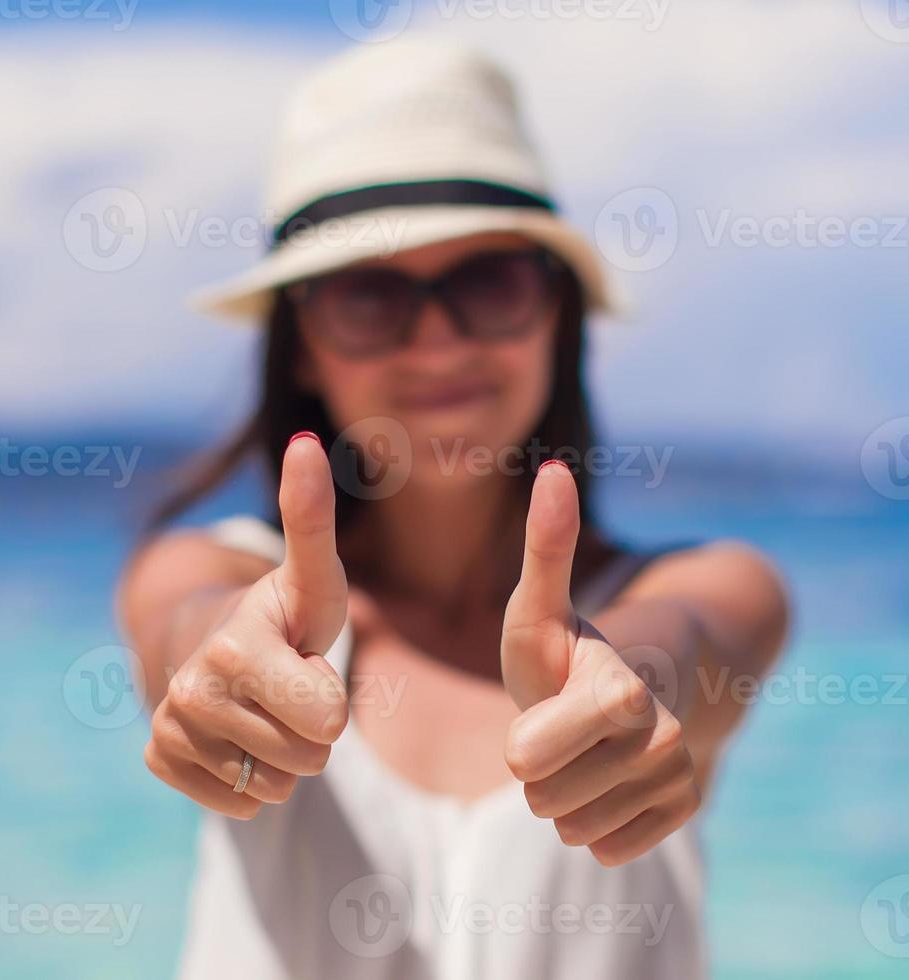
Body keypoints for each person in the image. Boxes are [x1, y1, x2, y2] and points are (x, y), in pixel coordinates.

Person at [116, 37, 789, 979]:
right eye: (368, 294)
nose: (436, 339)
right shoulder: (216, 579)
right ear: (301, 342)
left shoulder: (713, 588)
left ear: (557, 312)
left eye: (488, 281)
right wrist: (211, 671)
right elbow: (182, 630)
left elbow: (690, 642)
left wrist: (632, 675)